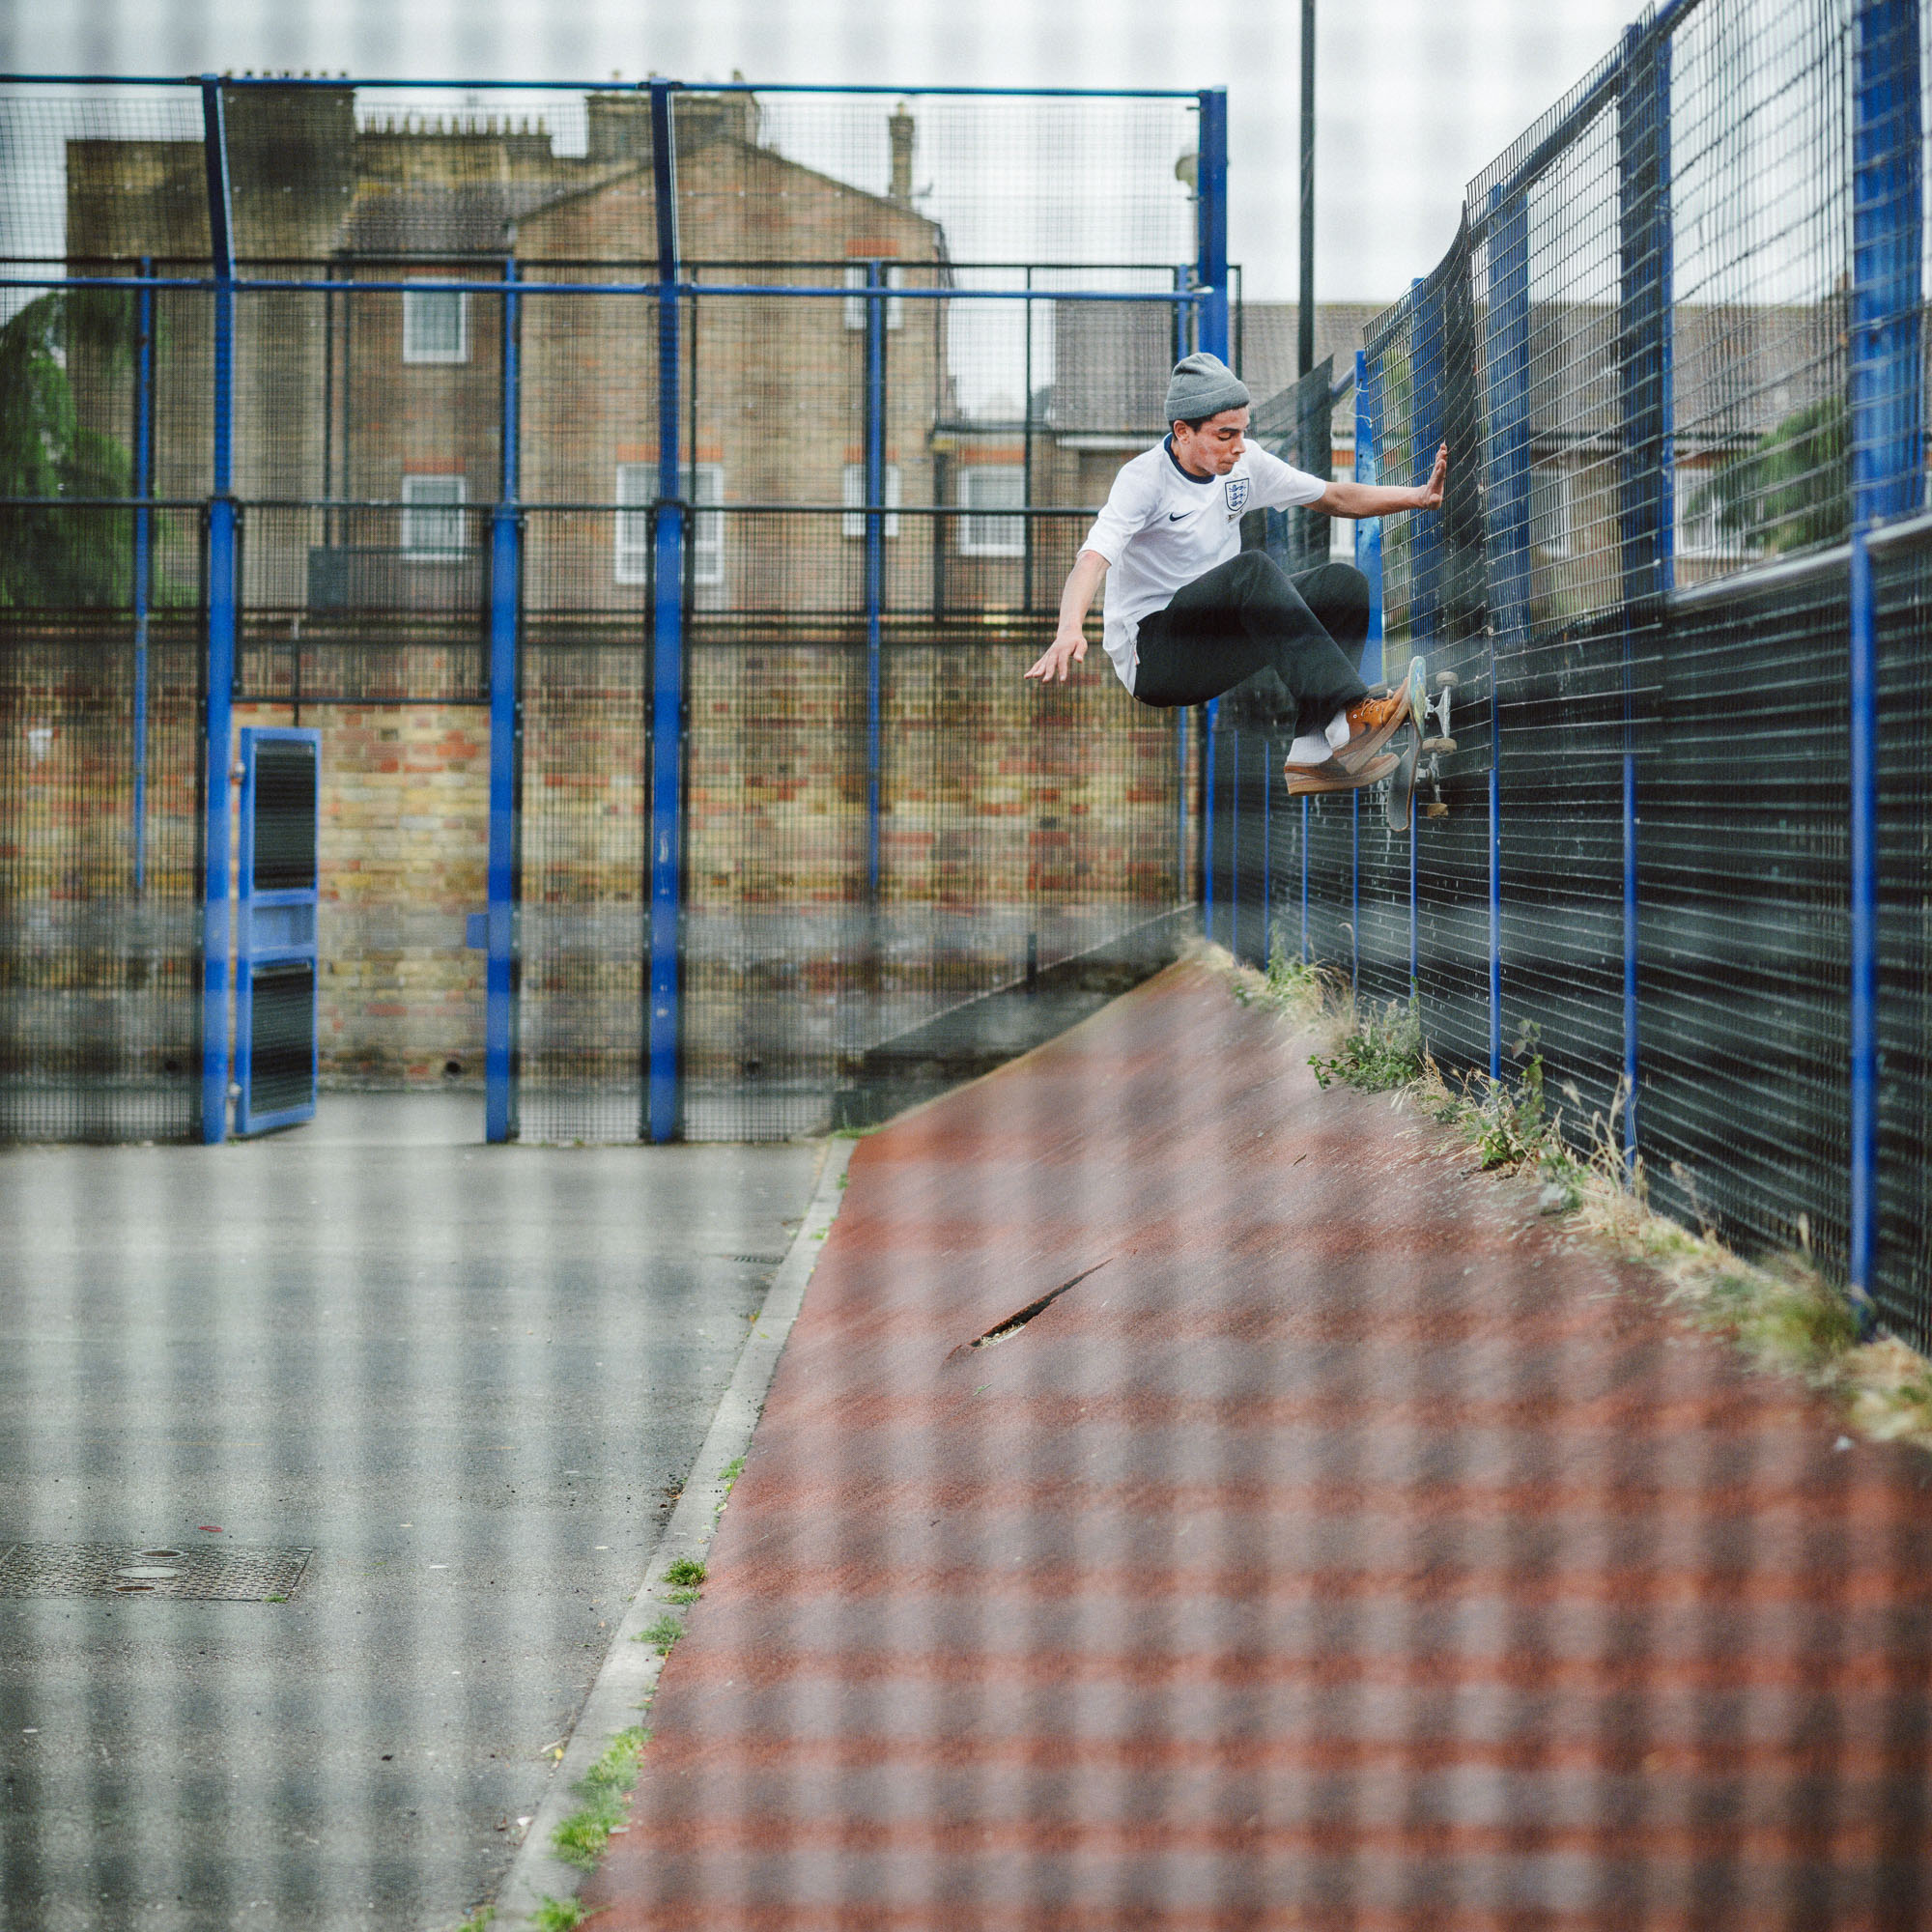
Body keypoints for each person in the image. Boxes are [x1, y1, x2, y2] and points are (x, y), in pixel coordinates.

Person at [1025, 351, 1448, 793]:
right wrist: (1069, 627)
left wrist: (1417, 497)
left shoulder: (1246, 464)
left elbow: (1334, 496)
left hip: (1214, 640)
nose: (1238, 446)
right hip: (1154, 656)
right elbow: (1093, 557)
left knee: (1342, 586)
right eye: (1225, 435)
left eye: (1242, 432)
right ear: (1183, 433)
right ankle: (1355, 715)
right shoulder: (1143, 480)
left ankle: (1315, 752)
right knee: (1251, 571)